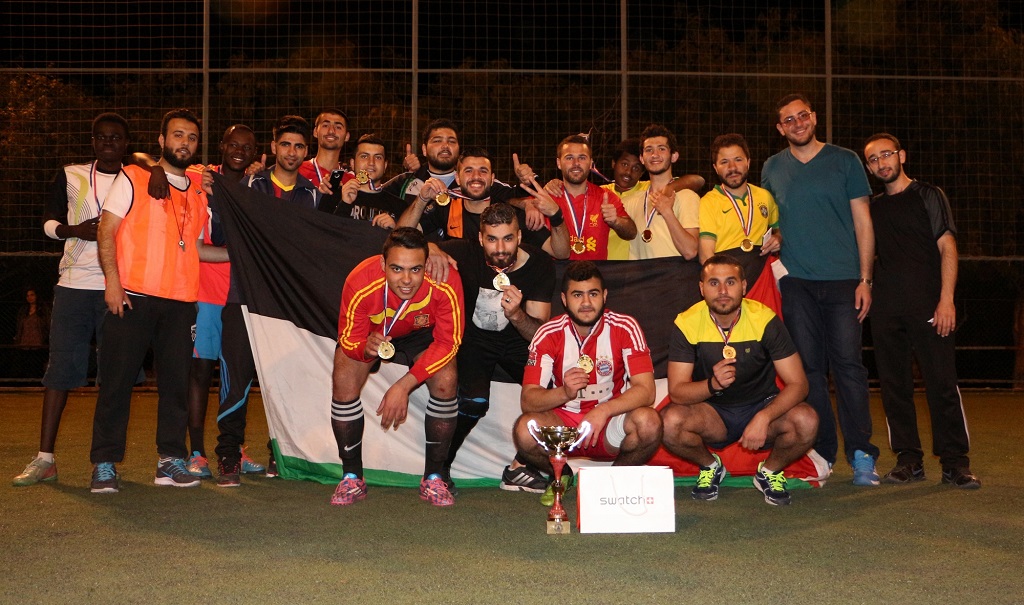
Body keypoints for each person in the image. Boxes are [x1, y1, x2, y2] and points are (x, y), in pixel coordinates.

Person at [88, 108, 220, 493]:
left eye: (191, 137)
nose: (184, 143)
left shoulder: (198, 191)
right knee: (116, 384)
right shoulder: (134, 176)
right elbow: (106, 230)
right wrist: (113, 283)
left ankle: (169, 460)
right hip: (133, 297)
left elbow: (196, 247)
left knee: (176, 386)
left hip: (181, 303)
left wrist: (237, 255)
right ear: (162, 140)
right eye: (177, 135)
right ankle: (104, 463)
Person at [761, 93, 881, 485]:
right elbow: (771, 222)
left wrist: (865, 279)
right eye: (789, 119)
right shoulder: (771, 168)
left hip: (844, 280)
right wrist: (774, 236)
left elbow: (863, 222)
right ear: (780, 128)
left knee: (848, 367)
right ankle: (822, 454)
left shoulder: (845, 160)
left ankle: (862, 454)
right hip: (796, 283)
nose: (797, 123)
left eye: (803, 115)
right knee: (808, 371)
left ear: (814, 118)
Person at [12, 113, 129, 487]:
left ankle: (105, 461)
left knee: (114, 375)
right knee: (59, 371)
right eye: (102, 137)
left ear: (126, 143)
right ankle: (45, 458)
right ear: (93, 141)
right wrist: (73, 230)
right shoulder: (70, 174)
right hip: (74, 284)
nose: (108, 142)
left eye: (116, 137)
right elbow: (47, 222)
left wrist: (150, 166)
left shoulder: (136, 179)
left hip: (119, 286)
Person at [862, 133, 979, 489]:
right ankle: (908, 460)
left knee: (942, 383)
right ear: (868, 167)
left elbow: (947, 247)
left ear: (902, 156)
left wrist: (946, 299)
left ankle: (955, 463)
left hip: (930, 305)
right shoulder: (872, 207)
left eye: (886, 154)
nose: (881, 163)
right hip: (886, 309)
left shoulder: (929, 195)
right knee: (894, 387)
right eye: (873, 159)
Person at [209, 115, 319, 487]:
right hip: (243, 297)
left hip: (287, 305)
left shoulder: (312, 195)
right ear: (273, 147)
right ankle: (228, 456)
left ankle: (280, 454)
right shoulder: (248, 185)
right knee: (235, 380)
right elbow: (220, 234)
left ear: (306, 151)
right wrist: (217, 198)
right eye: (285, 144)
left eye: (299, 146)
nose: (292, 152)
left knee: (285, 382)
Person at [661, 255, 818, 505]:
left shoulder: (764, 319)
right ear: (701, 288)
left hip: (761, 405)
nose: (723, 291)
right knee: (670, 423)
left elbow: (799, 384)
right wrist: (712, 384)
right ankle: (711, 467)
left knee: (806, 420)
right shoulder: (687, 322)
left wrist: (764, 417)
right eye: (714, 283)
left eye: (731, 282)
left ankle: (769, 472)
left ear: (744, 286)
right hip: (713, 412)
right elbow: (678, 392)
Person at [331, 227, 465, 506]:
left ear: (427, 264)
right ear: (383, 264)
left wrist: (404, 386)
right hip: (376, 333)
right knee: (343, 372)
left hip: (424, 334)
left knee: (446, 378)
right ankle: (352, 477)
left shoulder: (445, 279)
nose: (406, 280)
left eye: (415, 269)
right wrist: (364, 348)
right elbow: (348, 338)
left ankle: (434, 478)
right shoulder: (360, 280)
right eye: (396, 269)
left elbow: (449, 343)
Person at [439, 203, 556, 493]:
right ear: (481, 238)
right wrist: (431, 250)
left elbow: (539, 334)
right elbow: (412, 244)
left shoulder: (539, 263)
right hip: (475, 341)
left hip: (518, 341)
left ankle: (520, 466)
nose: (500, 248)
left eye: (508, 238)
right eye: (492, 239)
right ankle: (439, 469)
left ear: (520, 236)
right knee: (474, 403)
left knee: (555, 393)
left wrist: (516, 315)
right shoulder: (466, 252)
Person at [511, 262, 662, 486]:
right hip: (564, 427)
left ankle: (611, 484)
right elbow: (528, 400)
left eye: (593, 294)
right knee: (524, 430)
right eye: (577, 295)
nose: (586, 303)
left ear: (604, 295)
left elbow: (647, 391)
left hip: (609, 426)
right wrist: (565, 392)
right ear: (564, 299)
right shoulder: (548, 333)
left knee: (649, 423)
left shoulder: (625, 327)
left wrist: (604, 410)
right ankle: (562, 475)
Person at [180, 124, 263, 479]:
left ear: (255, 153)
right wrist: (240, 254)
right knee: (201, 372)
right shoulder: (200, 178)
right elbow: (198, 249)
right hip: (205, 293)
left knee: (237, 376)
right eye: (233, 144)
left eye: (247, 147)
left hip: (242, 296)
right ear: (222, 146)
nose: (239, 151)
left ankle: (234, 447)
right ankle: (197, 452)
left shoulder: (256, 187)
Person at [398, 147, 569, 258]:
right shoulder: (447, 206)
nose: (476, 177)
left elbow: (560, 253)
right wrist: (422, 199)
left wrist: (556, 215)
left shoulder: (511, 213)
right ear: (457, 178)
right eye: (468, 171)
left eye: (483, 171)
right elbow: (400, 236)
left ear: (492, 178)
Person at [698, 133, 782, 284]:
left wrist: (778, 239)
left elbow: (779, 231)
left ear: (748, 162)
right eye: (724, 162)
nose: (732, 167)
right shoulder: (708, 202)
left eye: (738, 160)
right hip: (728, 279)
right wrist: (723, 285)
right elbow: (706, 255)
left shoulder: (765, 196)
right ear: (715, 168)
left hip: (762, 278)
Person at [549, 135, 637, 260]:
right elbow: (519, 202)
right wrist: (528, 205)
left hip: (595, 270)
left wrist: (616, 221)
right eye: (569, 158)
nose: (576, 163)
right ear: (559, 163)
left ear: (590, 163)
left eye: (582, 158)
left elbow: (631, 233)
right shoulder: (548, 197)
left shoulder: (605, 197)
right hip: (558, 270)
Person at [622, 124, 700, 260]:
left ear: (674, 156)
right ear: (642, 158)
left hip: (673, 273)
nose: (654, 155)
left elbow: (690, 251)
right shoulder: (631, 201)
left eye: (661, 149)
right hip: (641, 274)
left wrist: (667, 212)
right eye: (649, 150)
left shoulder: (688, 197)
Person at [326, 134, 413, 229]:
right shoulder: (332, 196)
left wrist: (395, 230)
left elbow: (410, 237)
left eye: (378, 157)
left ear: (385, 166)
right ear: (352, 163)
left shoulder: (400, 207)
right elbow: (324, 234)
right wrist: (344, 205)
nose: (371, 162)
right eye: (364, 156)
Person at [298, 108, 353, 189]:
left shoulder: (351, 182)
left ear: (347, 136)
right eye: (325, 126)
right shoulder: (297, 171)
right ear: (315, 132)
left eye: (338, 127)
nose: (331, 131)